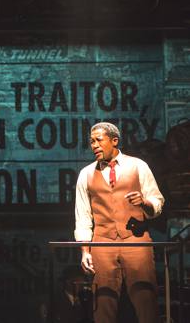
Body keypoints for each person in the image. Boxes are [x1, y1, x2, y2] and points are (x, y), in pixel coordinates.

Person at [74, 122, 165, 323]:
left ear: (114, 141)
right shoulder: (86, 174)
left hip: (136, 240)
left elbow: (157, 203)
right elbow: (82, 216)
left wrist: (144, 203)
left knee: (145, 297)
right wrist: (85, 251)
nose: (94, 145)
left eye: (99, 140)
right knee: (103, 301)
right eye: (91, 141)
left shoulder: (138, 166)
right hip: (102, 242)